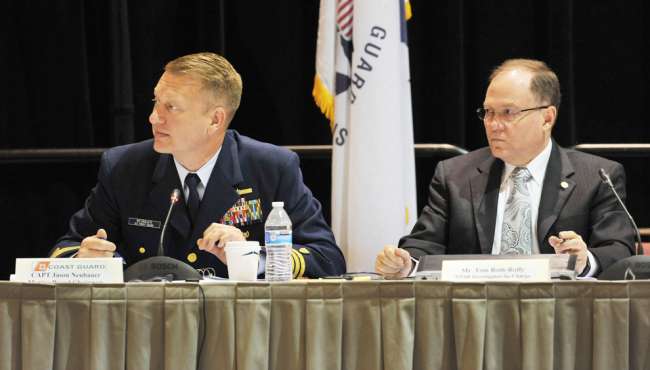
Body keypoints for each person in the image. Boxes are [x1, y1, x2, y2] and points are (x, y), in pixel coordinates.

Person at [51, 52, 346, 279]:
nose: (154, 117)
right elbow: (66, 248)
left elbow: (327, 258)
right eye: (156, 103)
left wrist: (253, 256)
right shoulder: (124, 167)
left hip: (238, 332)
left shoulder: (271, 168)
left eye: (171, 107)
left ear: (215, 119)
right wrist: (84, 260)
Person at [375, 58, 635, 278]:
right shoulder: (454, 175)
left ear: (547, 117)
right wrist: (405, 264)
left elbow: (619, 250)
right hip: (473, 313)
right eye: (488, 112)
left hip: (559, 315)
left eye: (508, 112)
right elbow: (424, 244)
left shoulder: (597, 177)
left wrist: (583, 260)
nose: (493, 124)